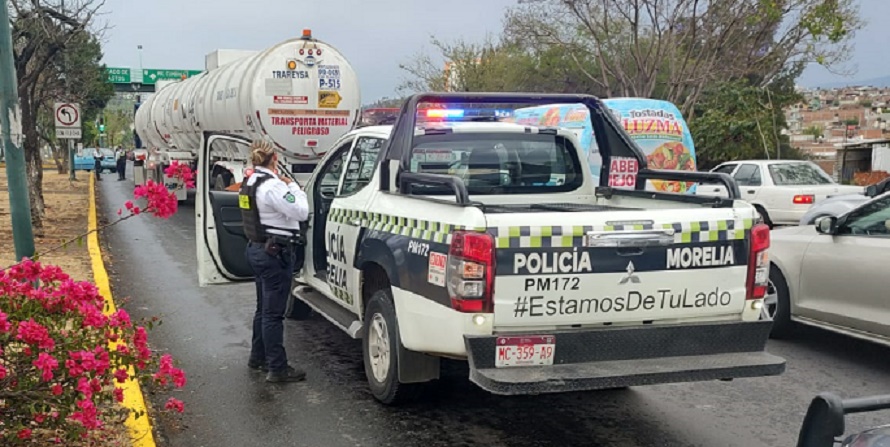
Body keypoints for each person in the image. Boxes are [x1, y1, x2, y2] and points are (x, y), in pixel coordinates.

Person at [240, 140, 309, 383]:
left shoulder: (250, 182)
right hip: (275, 254)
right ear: (275, 158)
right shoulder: (273, 187)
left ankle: (257, 358)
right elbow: (301, 212)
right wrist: (297, 189)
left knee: (263, 310)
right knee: (273, 314)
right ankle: (277, 368)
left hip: (257, 249)